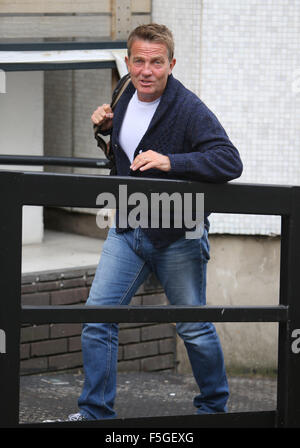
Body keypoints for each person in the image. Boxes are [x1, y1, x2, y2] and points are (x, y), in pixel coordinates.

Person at [68, 23, 243, 421]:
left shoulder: (189, 108)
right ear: (128, 62)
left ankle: (214, 411)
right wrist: (106, 128)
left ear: (171, 64)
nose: (147, 71)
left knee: (193, 329)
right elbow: (124, 151)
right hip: (127, 226)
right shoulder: (126, 90)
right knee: (98, 318)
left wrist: (171, 161)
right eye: (140, 61)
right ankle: (95, 414)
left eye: (157, 63)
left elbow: (229, 161)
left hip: (178, 233)